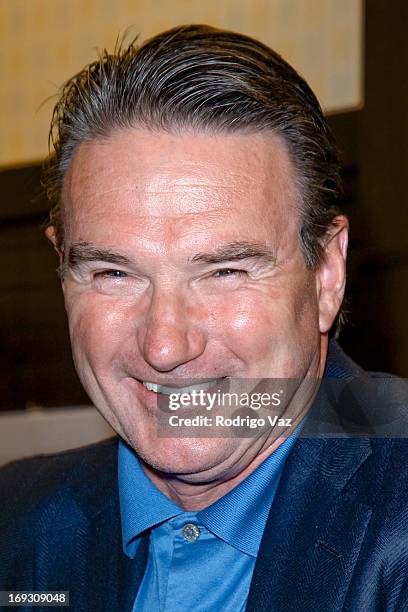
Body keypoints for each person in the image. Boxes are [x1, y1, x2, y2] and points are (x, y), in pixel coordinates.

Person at [1, 24, 407, 612]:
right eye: (115, 274)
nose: (165, 346)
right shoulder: (16, 520)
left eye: (225, 272)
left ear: (327, 275)